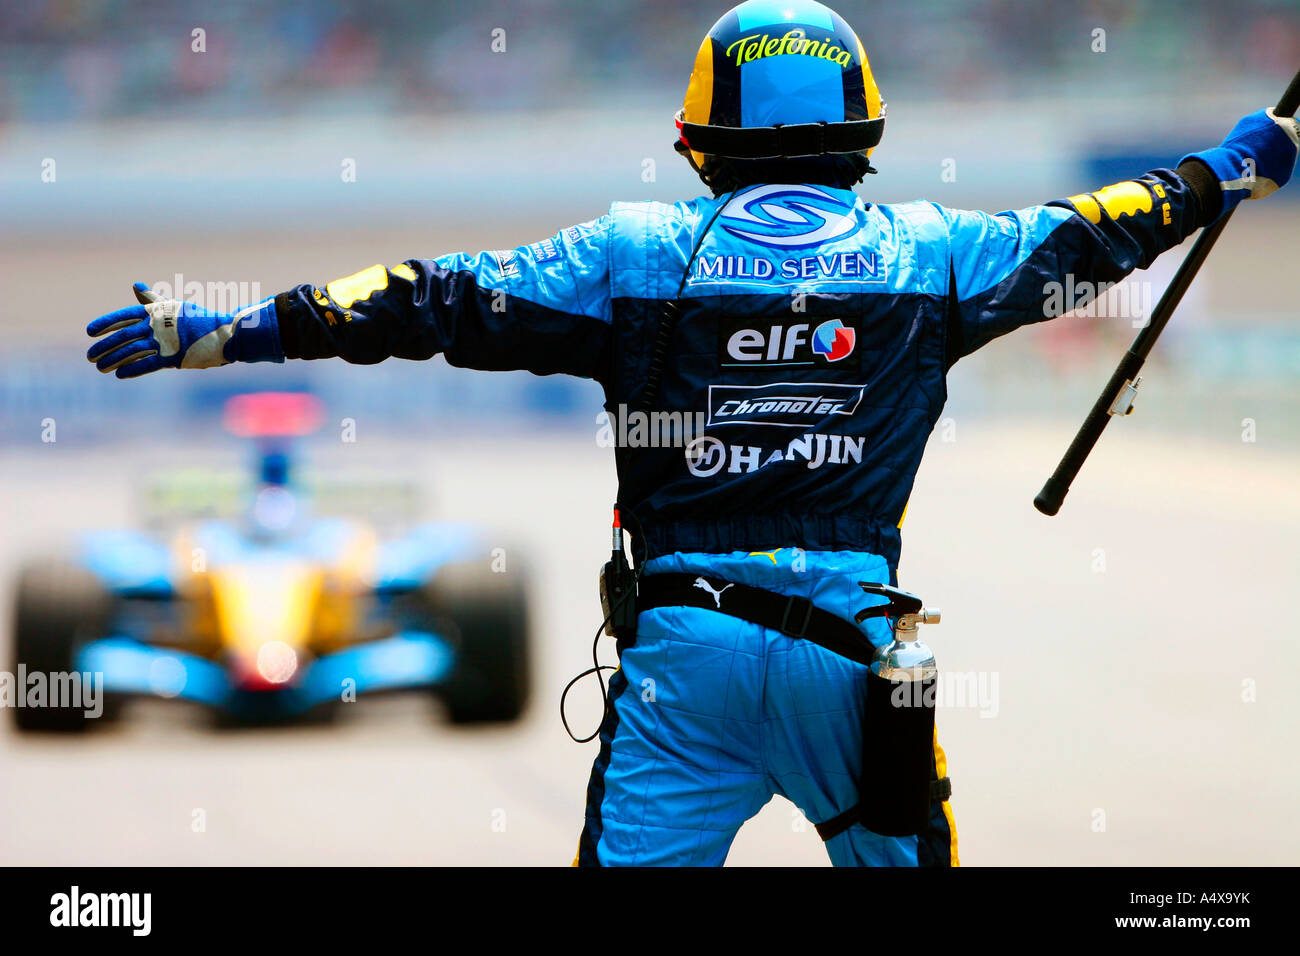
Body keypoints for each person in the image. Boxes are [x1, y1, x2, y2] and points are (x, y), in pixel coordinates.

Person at [85, 0, 1298, 867]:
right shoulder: (935, 252)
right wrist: (1228, 168)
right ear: (864, 130)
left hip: (682, 657)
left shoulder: (632, 254)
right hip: (859, 663)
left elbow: (422, 296)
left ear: (696, 139)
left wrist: (226, 327)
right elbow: (1103, 227)